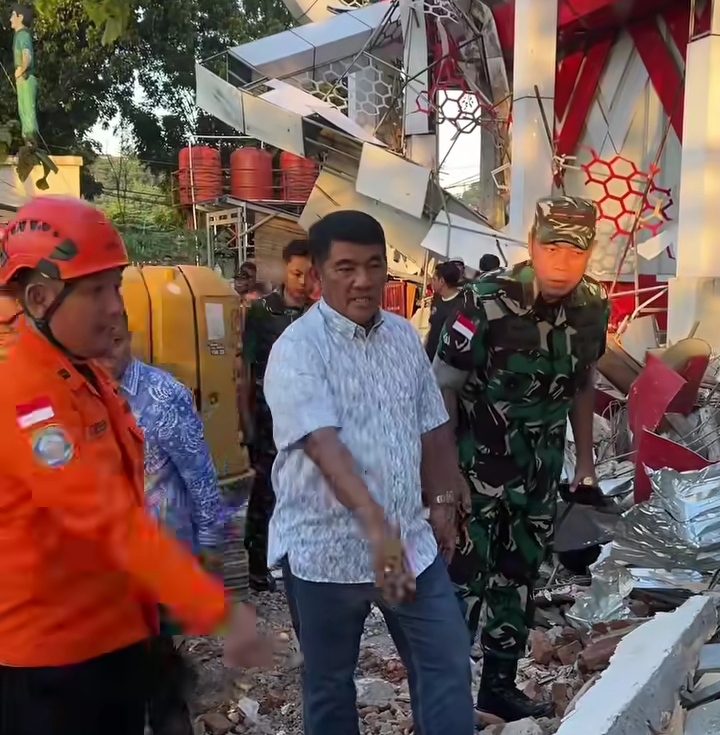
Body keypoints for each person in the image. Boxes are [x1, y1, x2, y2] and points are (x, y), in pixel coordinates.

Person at [0, 196, 269, 735]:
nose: (114, 307)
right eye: (95, 291)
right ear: (39, 298)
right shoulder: (28, 398)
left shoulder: (87, 376)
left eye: (116, 286)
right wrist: (212, 606)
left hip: (114, 636)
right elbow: (104, 518)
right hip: (52, 663)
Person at [263, 210, 475, 735]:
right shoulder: (297, 351)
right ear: (318, 274)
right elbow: (323, 446)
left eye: (374, 265)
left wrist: (443, 500)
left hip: (407, 546)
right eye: (346, 268)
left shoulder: (402, 337)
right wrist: (377, 530)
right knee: (331, 684)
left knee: (445, 660)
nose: (363, 280)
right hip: (326, 553)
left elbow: (432, 424)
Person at [433, 196, 609, 723]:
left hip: (538, 472)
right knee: (462, 583)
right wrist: (445, 475)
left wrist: (585, 463)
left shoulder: (592, 306)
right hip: (475, 471)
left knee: (519, 578)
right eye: (551, 248)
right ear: (531, 244)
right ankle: (446, 701)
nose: (561, 263)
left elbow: (583, 382)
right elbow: (442, 386)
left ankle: (498, 689)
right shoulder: (485, 301)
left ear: (589, 254)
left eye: (574, 253)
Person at [102, 314, 224, 735]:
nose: (106, 353)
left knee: (158, 669)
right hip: (105, 562)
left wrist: (209, 554)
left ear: (129, 337)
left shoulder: (163, 395)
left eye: (116, 341)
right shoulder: (78, 394)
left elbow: (201, 478)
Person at [242, 238, 314, 591]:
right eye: (296, 273)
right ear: (286, 269)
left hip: (308, 421)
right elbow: (244, 370)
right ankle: (257, 566)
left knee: (303, 492)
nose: (302, 281)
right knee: (265, 494)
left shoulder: (318, 314)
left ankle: (297, 564)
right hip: (267, 419)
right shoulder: (261, 311)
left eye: (309, 274)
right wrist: (246, 424)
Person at [424, 260, 463, 361]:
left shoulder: (462, 305)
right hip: (429, 357)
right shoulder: (437, 298)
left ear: (442, 281)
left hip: (445, 362)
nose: (431, 282)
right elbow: (432, 326)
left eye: (434, 279)